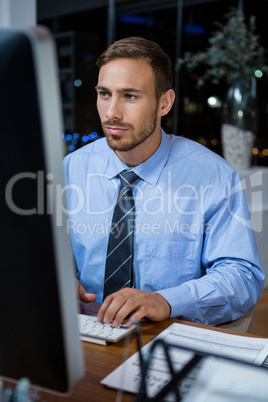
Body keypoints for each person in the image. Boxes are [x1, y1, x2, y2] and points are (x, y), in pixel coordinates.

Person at [64, 36, 265, 329]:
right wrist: (55, 280)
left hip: (164, 338)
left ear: (164, 102)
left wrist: (166, 301)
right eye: (104, 94)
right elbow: (46, 255)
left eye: (130, 96)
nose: (111, 113)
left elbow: (241, 276)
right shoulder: (71, 169)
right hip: (84, 336)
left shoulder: (213, 176)